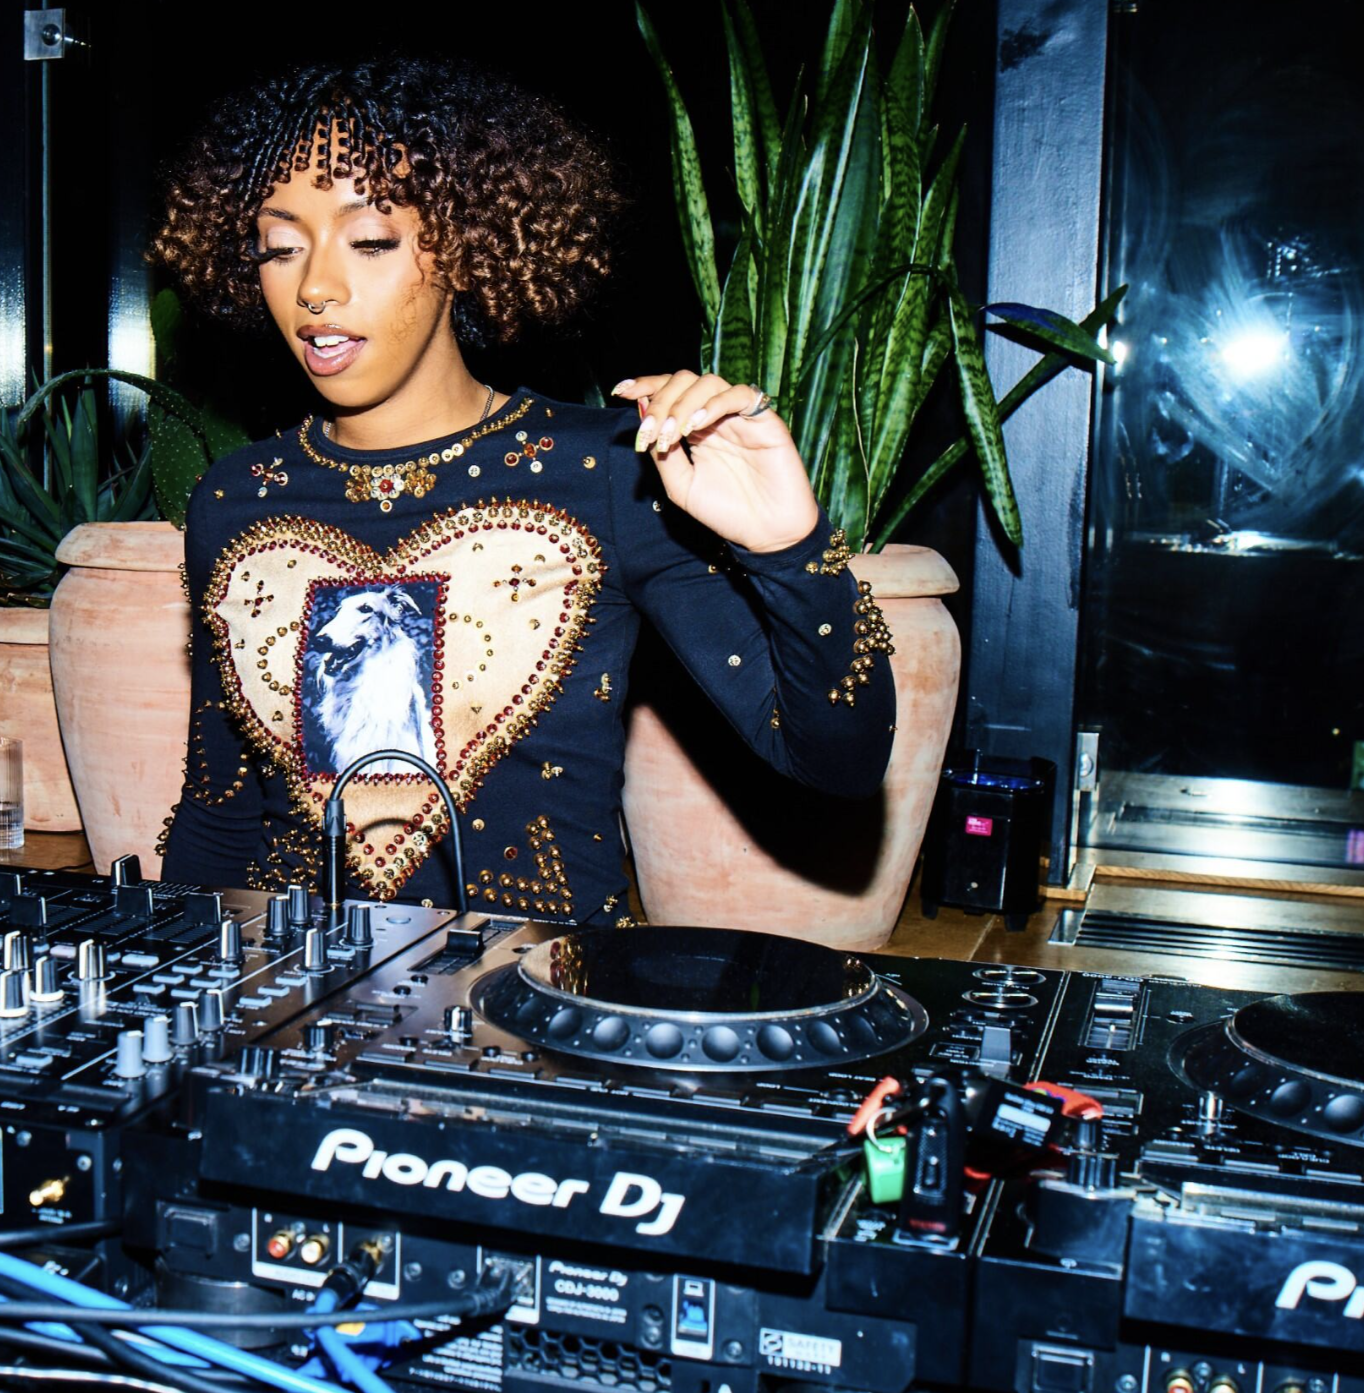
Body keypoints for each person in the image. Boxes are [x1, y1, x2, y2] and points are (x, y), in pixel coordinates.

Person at [148, 59, 897, 922]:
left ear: (465, 242)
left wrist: (791, 549)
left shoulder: (610, 472)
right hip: (291, 1013)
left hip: (539, 1021)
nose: (314, 286)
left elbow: (837, 760)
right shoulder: (235, 498)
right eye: (280, 247)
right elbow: (219, 810)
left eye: (371, 241)